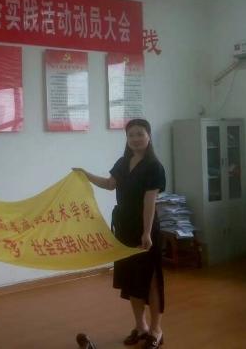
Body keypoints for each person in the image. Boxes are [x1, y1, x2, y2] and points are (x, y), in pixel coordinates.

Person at [73, 119, 166, 349]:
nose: (135, 139)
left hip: (145, 230)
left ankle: (156, 330)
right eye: (131, 135)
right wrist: (86, 175)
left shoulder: (154, 166)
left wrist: (146, 232)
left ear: (149, 136)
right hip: (124, 229)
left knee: (151, 281)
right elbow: (109, 184)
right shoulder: (123, 162)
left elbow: (150, 202)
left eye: (140, 134)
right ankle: (141, 327)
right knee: (132, 280)